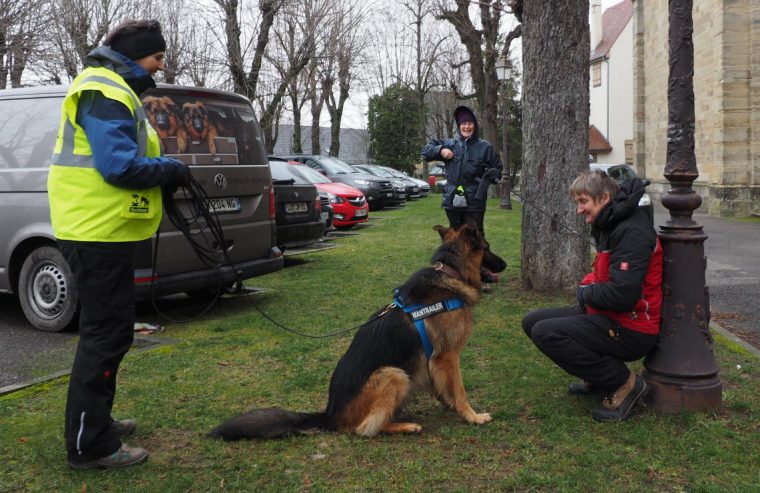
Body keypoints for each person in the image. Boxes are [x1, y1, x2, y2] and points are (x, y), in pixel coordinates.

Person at [47, 20, 192, 469]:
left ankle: (95, 423)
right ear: (135, 55)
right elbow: (119, 167)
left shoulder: (113, 89)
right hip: (96, 232)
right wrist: (169, 168)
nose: (161, 67)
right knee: (105, 336)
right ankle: (91, 444)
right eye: (158, 58)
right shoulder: (105, 91)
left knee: (107, 333)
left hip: (101, 230)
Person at [521, 170, 662, 422]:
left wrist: (585, 293)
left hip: (632, 327)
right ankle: (598, 378)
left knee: (546, 332)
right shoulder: (612, 223)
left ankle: (624, 385)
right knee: (532, 322)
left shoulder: (631, 232)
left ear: (605, 197)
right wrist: (587, 289)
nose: (579, 210)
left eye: (583, 201)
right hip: (609, 316)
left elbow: (622, 295)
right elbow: (601, 274)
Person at [421, 105, 502, 287]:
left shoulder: (485, 147)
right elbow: (425, 151)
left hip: (475, 199)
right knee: (455, 239)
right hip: (452, 199)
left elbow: (497, 168)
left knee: (476, 239)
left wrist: (492, 174)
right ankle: (458, 273)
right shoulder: (450, 144)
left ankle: (479, 275)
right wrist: (440, 151)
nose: (467, 127)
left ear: (475, 125)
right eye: (463, 123)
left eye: (470, 123)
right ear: (459, 126)